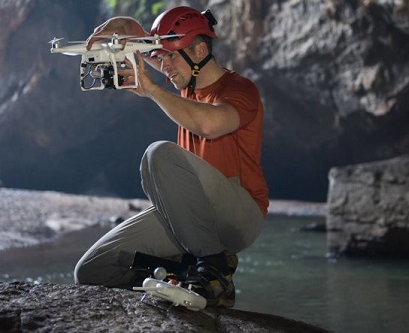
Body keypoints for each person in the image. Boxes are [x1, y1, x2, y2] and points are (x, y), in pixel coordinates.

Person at [74, 6, 268, 308]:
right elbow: (138, 37)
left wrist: (151, 90)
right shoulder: (183, 73)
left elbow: (210, 124)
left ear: (200, 50)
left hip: (240, 214)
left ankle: (215, 270)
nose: (162, 65)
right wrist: (120, 24)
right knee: (92, 270)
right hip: (190, 215)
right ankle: (186, 277)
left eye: (170, 56)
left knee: (158, 155)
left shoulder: (240, 89)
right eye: (160, 57)